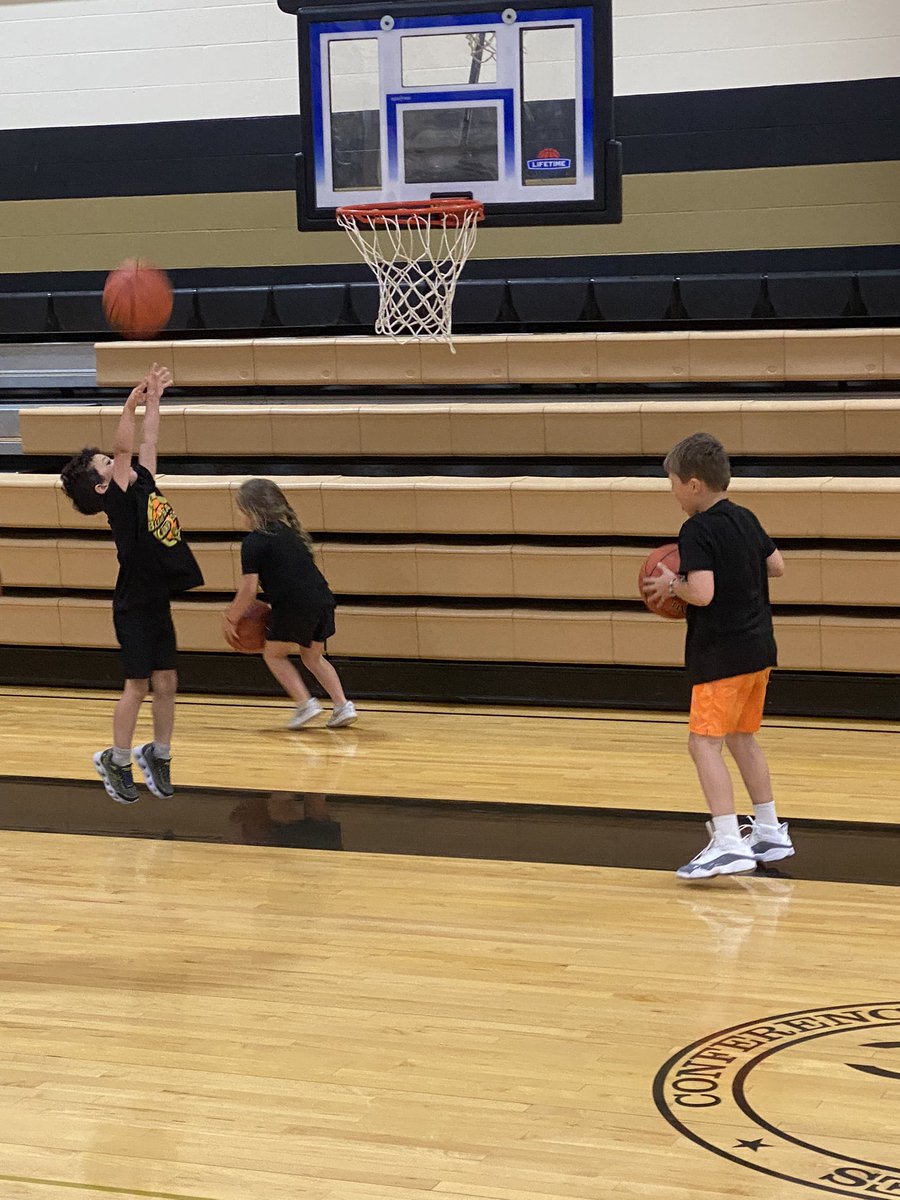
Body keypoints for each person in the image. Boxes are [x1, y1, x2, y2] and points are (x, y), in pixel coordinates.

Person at [642, 432, 794, 880]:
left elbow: (702, 593)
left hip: (721, 654)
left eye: (672, 482)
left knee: (703, 743)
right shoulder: (745, 517)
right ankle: (767, 830)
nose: (671, 491)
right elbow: (777, 565)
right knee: (742, 738)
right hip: (759, 649)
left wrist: (672, 585)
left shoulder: (696, 528)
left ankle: (728, 842)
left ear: (693, 485)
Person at [60, 365, 203, 803]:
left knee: (167, 681)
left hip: (155, 599)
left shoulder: (142, 483)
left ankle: (158, 753)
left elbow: (147, 442)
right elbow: (125, 446)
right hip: (134, 606)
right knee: (137, 685)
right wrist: (128, 404)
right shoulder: (119, 500)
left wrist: (155, 400)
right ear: (103, 485)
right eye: (107, 462)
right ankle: (116, 759)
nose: (116, 459)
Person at [224, 477, 356, 730]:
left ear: (249, 511)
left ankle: (305, 704)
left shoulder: (253, 542)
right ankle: (342, 706)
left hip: (293, 605)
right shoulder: (292, 534)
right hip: (323, 601)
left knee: (274, 655)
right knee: (313, 656)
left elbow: (248, 590)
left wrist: (231, 618)